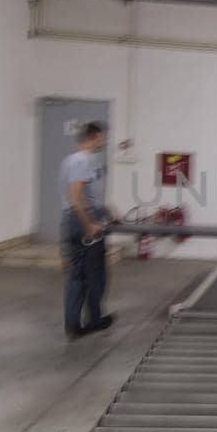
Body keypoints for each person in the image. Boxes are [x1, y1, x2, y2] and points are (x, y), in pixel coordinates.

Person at [61, 121, 118, 340]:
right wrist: (90, 224)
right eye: (102, 137)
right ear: (93, 136)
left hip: (73, 220)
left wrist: (111, 213)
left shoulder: (69, 161)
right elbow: (77, 196)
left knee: (77, 276)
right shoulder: (84, 161)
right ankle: (94, 320)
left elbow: (90, 195)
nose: (103, 141)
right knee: (95, 274)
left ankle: (73, 325)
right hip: (83, 221)